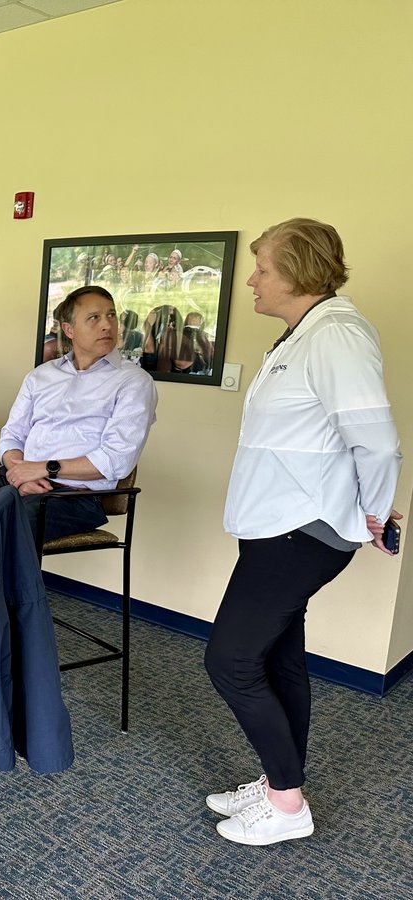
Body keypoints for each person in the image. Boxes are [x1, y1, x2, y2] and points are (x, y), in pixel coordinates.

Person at [203, 218, 402, 846]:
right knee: (276, 655)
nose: (252, 279)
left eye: (262, 266)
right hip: (275, 523)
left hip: (304, 528)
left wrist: (377, 511)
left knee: (231, 660)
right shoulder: (300, 334)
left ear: (300, 271)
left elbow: (375, 439)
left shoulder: (337, 335)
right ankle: (277, 782)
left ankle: (288, 806)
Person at [0, 285, 157, 545]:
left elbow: (116, 460)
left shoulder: (133, 382)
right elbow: (12, 436)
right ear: (69, 330)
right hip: (15, 483)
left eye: (111, 315)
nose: (107, 325)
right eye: (94, 318)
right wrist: (20, 473)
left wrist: (41, 470)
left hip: (74, 497)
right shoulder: (41, 375)